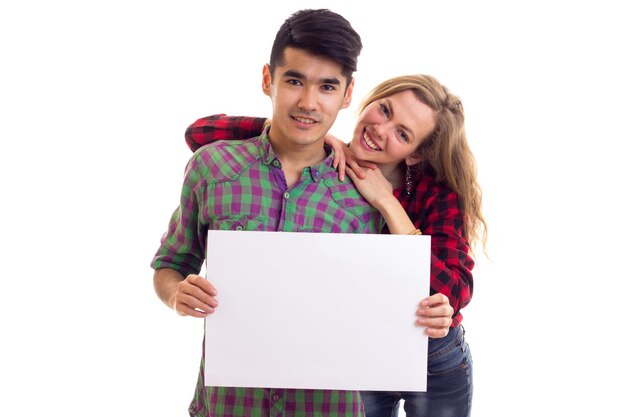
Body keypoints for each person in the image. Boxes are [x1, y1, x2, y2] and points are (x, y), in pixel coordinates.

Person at [151, 10, 453, 417]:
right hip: (228, 405)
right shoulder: (212, 168)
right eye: (294, 80)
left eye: (327, 87)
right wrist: (175, 293)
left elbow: (400, 300)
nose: (308, 103)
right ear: (267, 80)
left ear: (347, 95)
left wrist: (436, 310)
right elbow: (171, 264)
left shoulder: (367, 195)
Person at [183, 74, 487, 417]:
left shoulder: (436, 193)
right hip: (359, 347)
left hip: (433, 355)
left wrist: (389, 204)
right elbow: (199, 133)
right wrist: (309, 132)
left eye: (403, 134)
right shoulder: (328, 166)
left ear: (415, 155)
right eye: (383, 111)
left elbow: (452, 288)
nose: (380, 130)